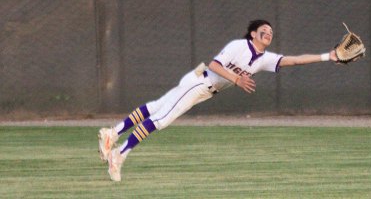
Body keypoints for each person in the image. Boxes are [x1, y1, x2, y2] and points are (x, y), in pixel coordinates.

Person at [98, 19, 338, 181]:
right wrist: (236, 79)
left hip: (203, 86)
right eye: (264, 29)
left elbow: (295, 60)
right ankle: (120, 153)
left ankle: (114, 133)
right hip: (200, 82)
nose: (269, 32)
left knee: (156, 107)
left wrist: (329, 56)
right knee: (162, 118)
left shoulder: (264, 58)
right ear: (253, 33)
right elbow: (215, 64)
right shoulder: (239, 45)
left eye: (271, 32)